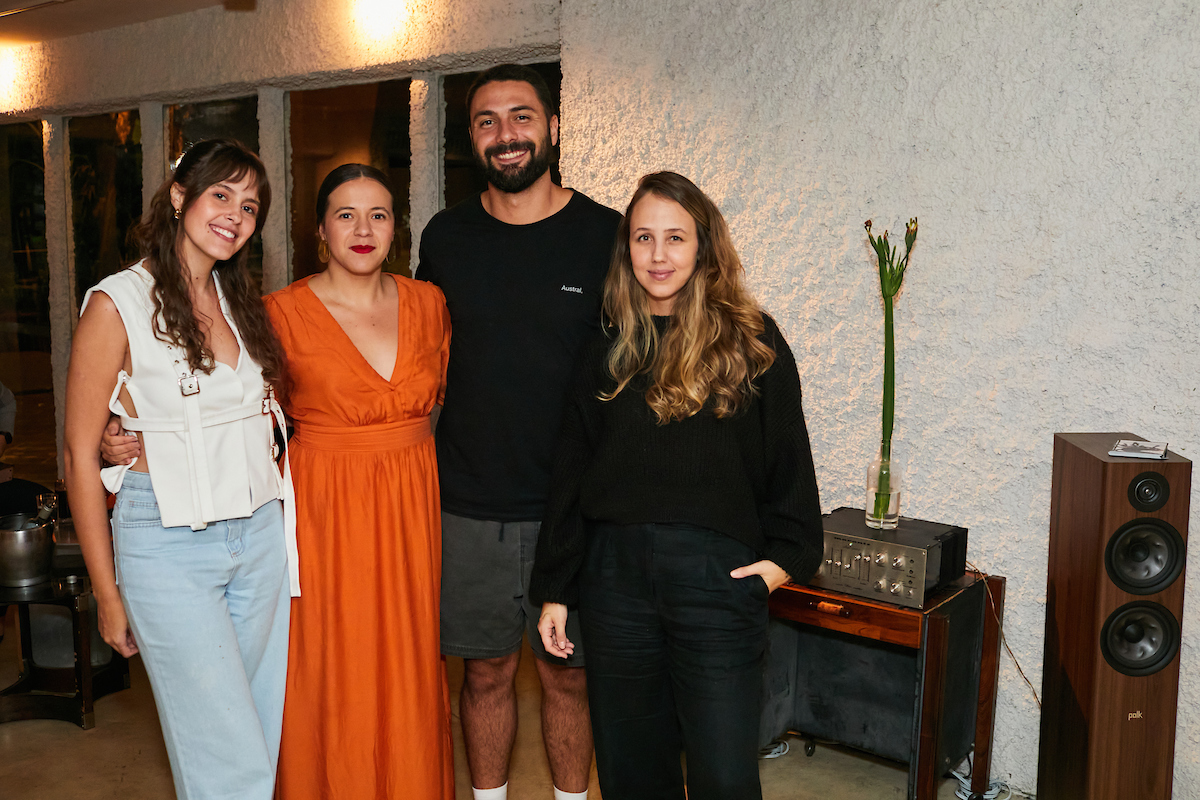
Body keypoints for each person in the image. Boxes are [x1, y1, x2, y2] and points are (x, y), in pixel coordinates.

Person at [530, 172, 824, 800]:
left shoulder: (754, 344)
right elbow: (571, 473)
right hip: (615, 586)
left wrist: (775, 569)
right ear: (626, 249)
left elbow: (791, 471)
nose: (658, 256)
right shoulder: (603, 347)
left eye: (675, 238)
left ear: (704, 249)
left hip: (716, 584)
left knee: (724, 776)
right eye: (643, 238)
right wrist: (556, 588)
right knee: (633, 773)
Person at [64, 139, 293, 800]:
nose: (236, 215)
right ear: (178, 197)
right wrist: (107, 594)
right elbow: (80, 453)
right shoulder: (118, 302)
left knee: (253, 735)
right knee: (228, 758)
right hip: (167, 541)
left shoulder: (238, 299)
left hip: (258, 538)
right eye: (221, 195)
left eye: (250, 206)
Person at [416, 64, 621, 800]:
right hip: (468, 502)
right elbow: (407, 353)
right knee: (485, 672)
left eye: (521, 117)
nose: (506, 135)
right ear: (472, 138)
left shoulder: (607, 236)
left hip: (576, 507)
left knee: (570, 678)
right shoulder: (447, 237)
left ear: (552, 127)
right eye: (487, 121)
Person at [266, 164, 453, 799]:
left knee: (407, 661)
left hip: (409, 506)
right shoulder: (280, 313)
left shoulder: (429, 303)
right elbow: (233, 408)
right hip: (324, 509)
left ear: (396, 228)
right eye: (346, 214)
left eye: (378, 214)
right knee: (330, 663)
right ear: (321, 230)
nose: (363, 228)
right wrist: (123, 436)